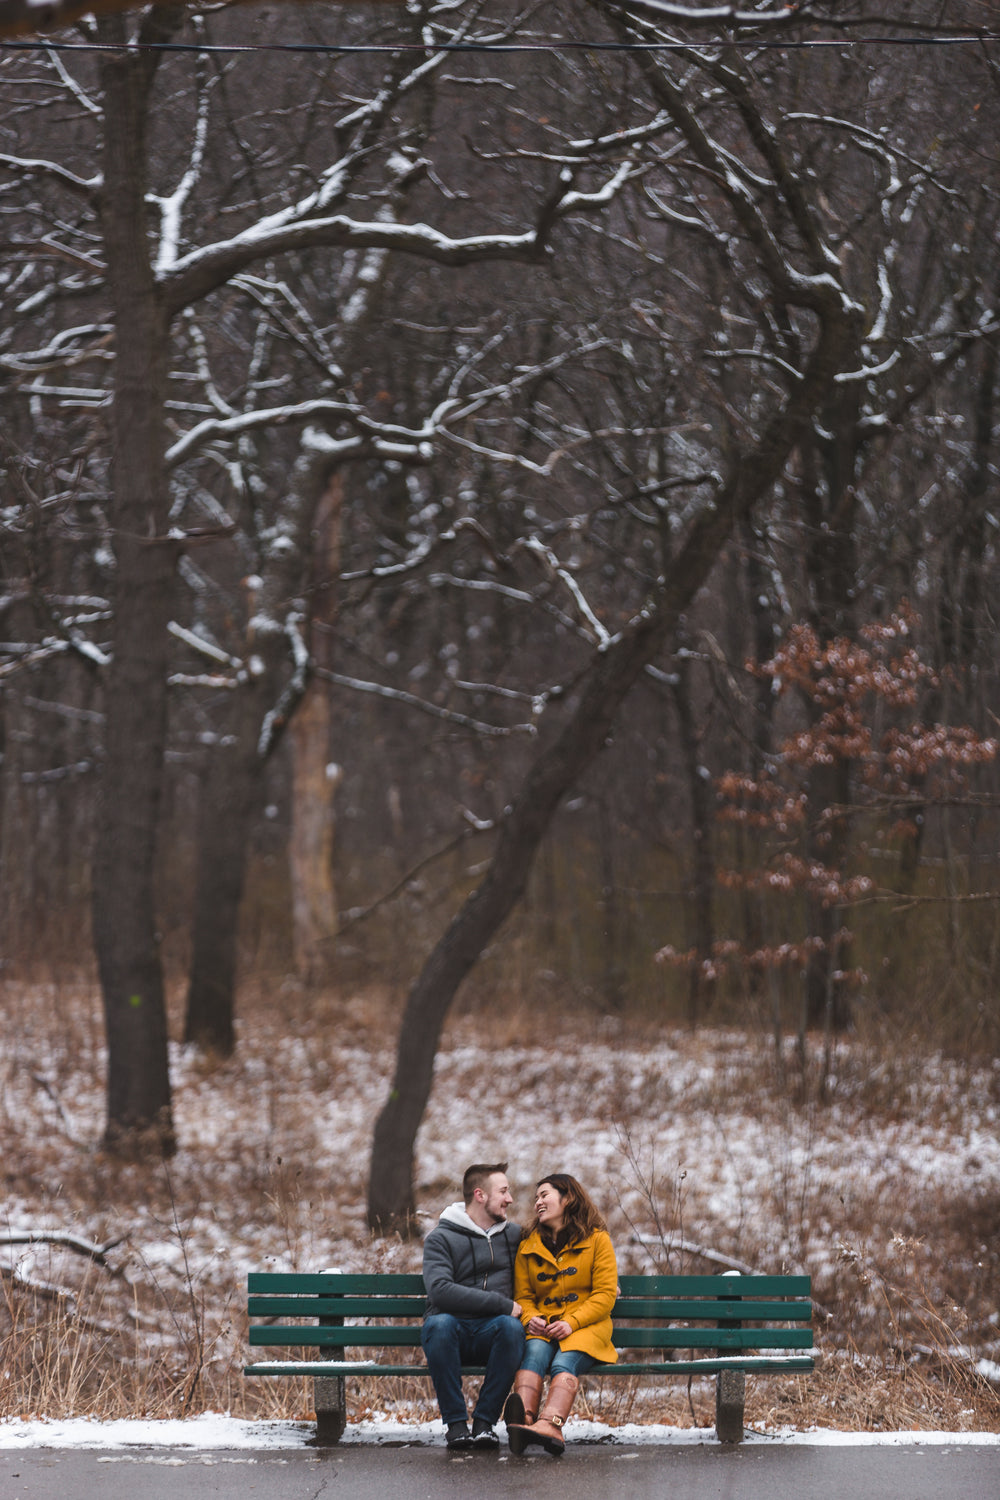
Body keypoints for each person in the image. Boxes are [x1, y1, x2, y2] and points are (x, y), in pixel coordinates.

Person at [504, 1173, 618, 1456]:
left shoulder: (597, 1240)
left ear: (567, 1198)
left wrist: (572, 1322)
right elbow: (524, 1297)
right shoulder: (528, 1245)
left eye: (545, 1195)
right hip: (544, 1327)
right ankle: (525, 1420)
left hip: (586, 1326)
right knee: (533, 1355)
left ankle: (551, 1425)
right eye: (536, 1199)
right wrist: (530, 1318)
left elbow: (604, 1295)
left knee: (563, 1362)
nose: (538, 1203)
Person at [421, 1161, 526, 1450]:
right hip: (449, 1330)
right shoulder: (441, 1238)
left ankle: (484, 1424)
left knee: (511, 1328)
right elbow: (440, 1291)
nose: (510, 1199)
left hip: (491, 1333)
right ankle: (455, 1425)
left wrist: (602, 1281)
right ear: (480, 1195)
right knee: (440, 1325)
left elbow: (561, 1246)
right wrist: (500, 1303)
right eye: (503, 1191)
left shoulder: (515, 1236)